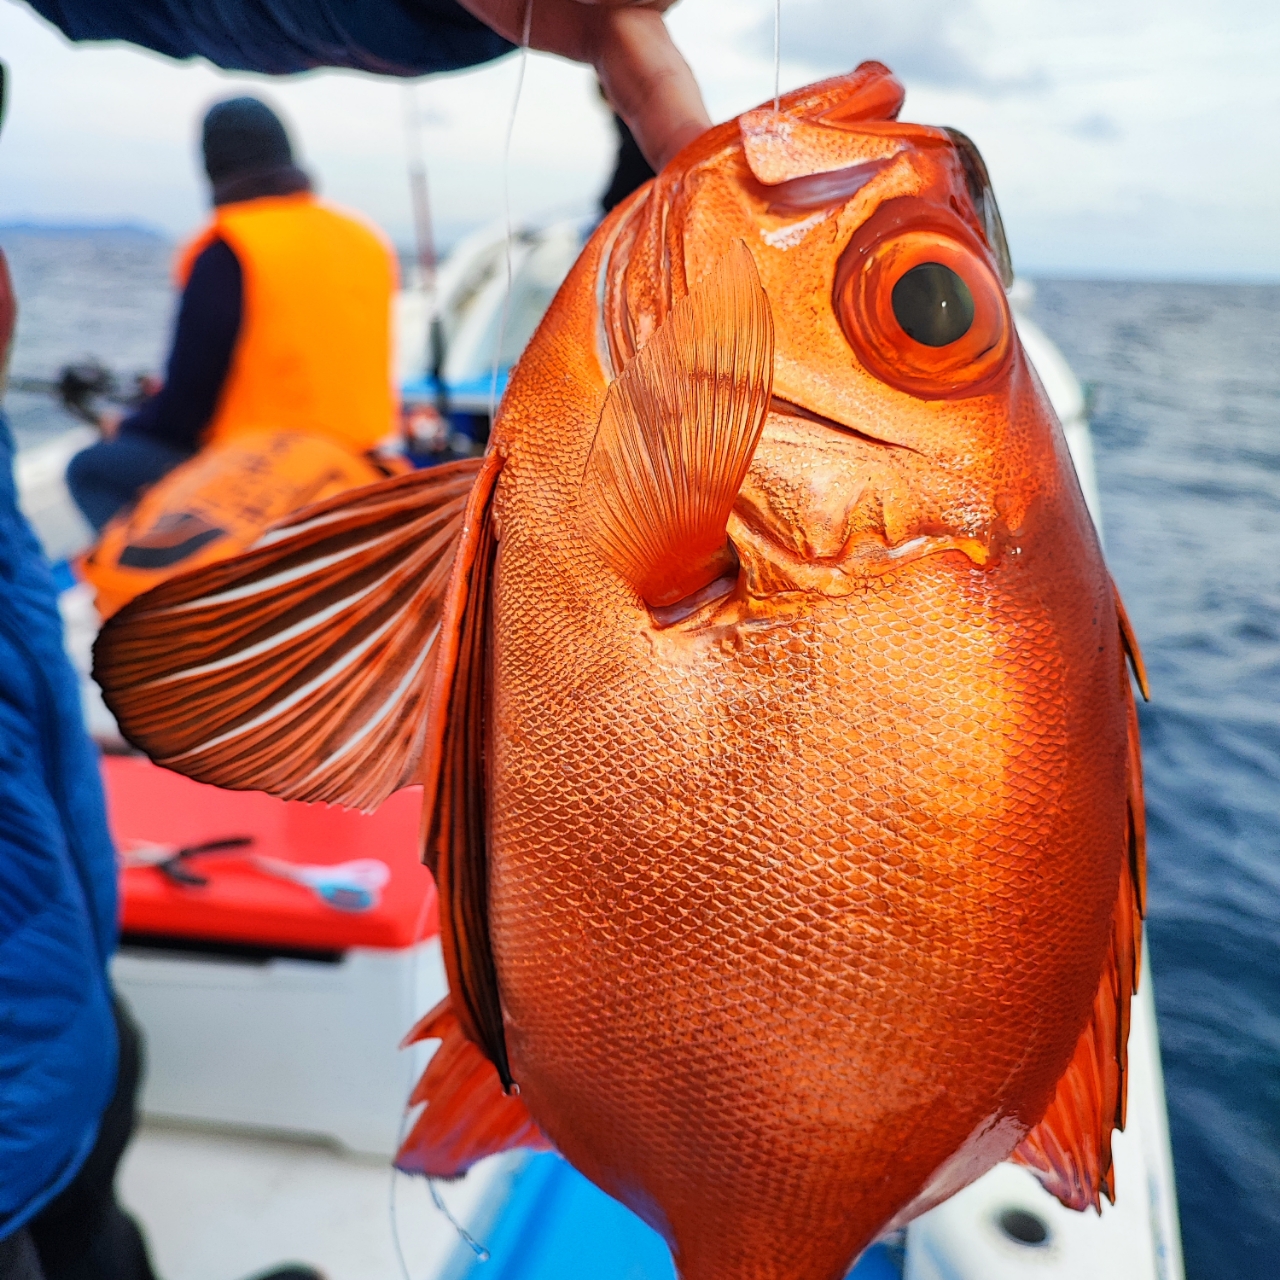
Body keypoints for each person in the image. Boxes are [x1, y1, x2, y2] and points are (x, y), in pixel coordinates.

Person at [66, 96, 398, 531]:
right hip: (357, 464)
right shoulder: (363, 237)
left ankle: (173, 589)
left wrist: (127, 426)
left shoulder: (229, 249)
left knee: (91, 469)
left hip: (261, 479)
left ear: (210, 166)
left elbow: (186, 409)